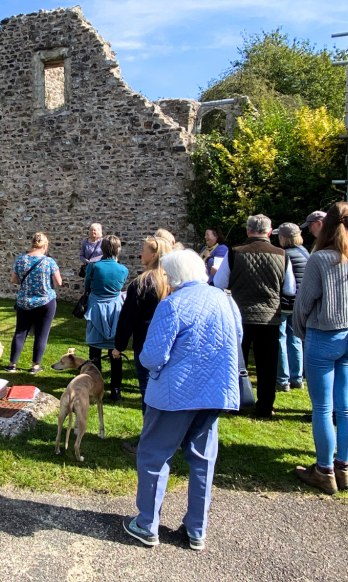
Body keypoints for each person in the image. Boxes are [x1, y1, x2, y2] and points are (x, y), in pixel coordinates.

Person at [122, 249, 241, 552]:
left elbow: (151, 356)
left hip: (174, 394)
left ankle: (147, 524)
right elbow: (236, 337)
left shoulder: (172, 304)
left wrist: (161, 368)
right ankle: (196, 529)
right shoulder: (226, 300)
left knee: (153, 456)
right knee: (203, 461)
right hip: (214, 393)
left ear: (173, 276)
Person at [291, 203, 348, 494]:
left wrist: (299, 330)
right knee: (345, 405)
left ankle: (324, 470)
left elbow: (304, 303)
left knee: (323, 407)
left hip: (323, 335)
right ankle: (344, 468)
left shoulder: (321, 260)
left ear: (327, 226)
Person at [213, 214, 296, 418]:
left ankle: (232, 401)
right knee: (267, 364)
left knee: (235, 361)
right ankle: (265, 406)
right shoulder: (282, 255)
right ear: (269, 232)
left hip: (239, 315)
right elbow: (290, 289)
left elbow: (219, 283)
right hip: (269, 317)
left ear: (248, 231)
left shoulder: (235, 253)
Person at [114, 235, 173, 454]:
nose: (141, 254)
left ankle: (149, 440)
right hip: (172, 343)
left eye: (144, 250)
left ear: (154, 254)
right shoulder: (173, 281)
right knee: (169, 390)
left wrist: (118, 346)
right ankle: (171, 436)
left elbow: (128, 318)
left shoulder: (142, 282)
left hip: (147, 344)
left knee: (148, 390)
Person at [4, 232, 62, 374]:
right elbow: (59, 282)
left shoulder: (21, 260)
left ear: (32, 243)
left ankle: (12, 364)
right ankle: (35, 366)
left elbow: (14, 279)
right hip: (45, 301)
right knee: (42, 334)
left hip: (24, 301)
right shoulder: (49, 262)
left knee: (20, 332)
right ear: (45, 245)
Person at [84, 235, 129, 401]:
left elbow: (87, 286)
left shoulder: (94, 267)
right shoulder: (123, 270)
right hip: (115, 311)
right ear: (118, 250)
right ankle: (116, 390)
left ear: (102, 248)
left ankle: (96, 388)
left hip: (96, 309)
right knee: (115, 353)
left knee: (94, 351)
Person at [275, 223, 309, 392]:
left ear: (283, 238)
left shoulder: (283, 255)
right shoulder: (305, 253)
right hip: (299, 304)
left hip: (284, 303)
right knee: (295, 340)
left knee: (280, 340)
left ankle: (282, 380)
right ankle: (297, 378)